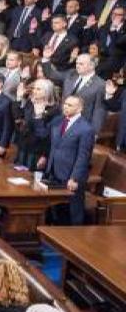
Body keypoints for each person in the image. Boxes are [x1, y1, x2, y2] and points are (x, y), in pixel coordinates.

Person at [41, 95, 96, 225]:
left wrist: (75, 178)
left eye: (70, 105)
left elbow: (83, 156)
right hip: (54, 171)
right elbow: (49, 141)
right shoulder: (58, 121)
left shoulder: (86, 129)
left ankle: (75, 238)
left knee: (72, 210)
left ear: (80, 108)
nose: (65, 107)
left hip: (70, 174)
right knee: (55, 208)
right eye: (65, 104)